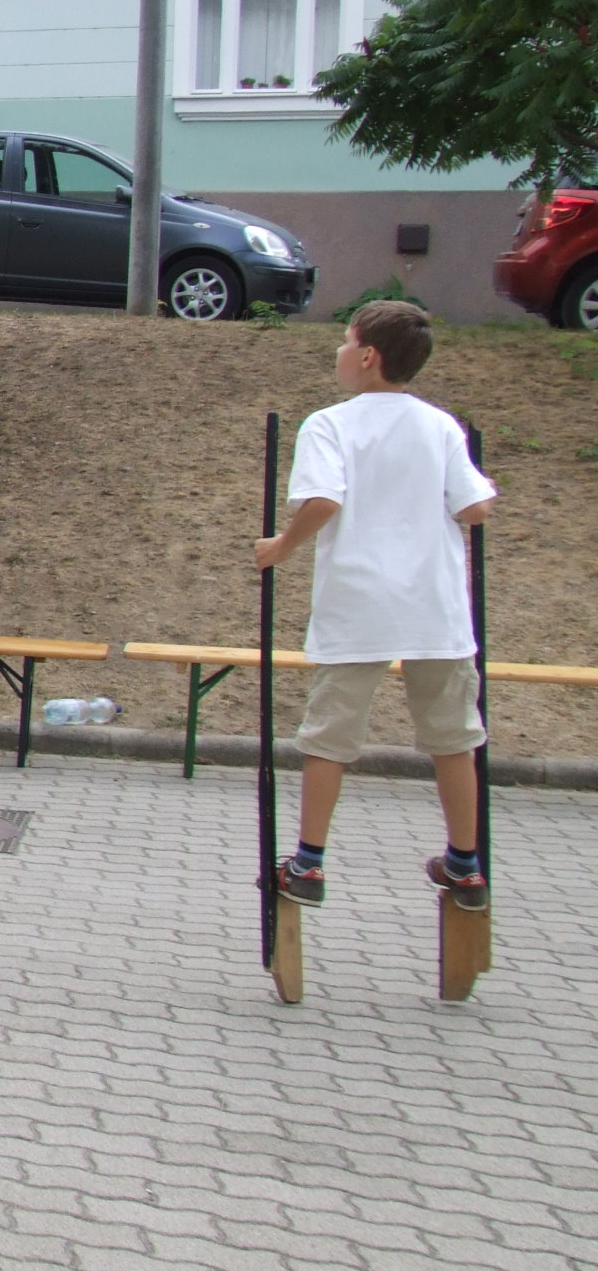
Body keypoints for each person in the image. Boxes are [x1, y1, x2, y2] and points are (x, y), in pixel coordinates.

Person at [254, 300, 498, 911]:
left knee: (330, 735)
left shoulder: (329, 424)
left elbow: (323, 500)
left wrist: (281, 546)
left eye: (345, 341)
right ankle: (465, 864)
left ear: (367, 356)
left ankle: (309, 863)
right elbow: (474, 509)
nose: (339, 352)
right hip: (435, 607)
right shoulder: (441, 426)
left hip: (359, 604)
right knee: (453, 736)